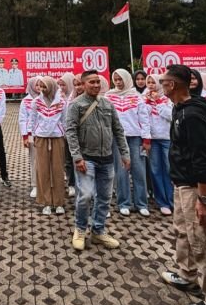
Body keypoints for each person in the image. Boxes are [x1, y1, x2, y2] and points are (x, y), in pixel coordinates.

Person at [158, 64, 206, 305]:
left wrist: (203, 199)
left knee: (202, 242)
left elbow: (203, 158)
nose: (160, 84)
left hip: (197, 187)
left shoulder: (193, 116)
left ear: (174, 85)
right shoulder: (179, 109)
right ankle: (187, 275)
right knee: (183, 231)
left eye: (163, 81)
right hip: (182, 183)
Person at [65, 70, 130, 250]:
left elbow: (118, 130)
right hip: (86, 159)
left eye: (97, 82)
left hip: (107, 160)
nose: (95, 85)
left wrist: (125, 154)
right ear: (83, 84)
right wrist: (77, 157)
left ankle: (98, 231)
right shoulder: (76, 105)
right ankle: (80, 229)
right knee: (85, 195)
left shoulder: (108, 104)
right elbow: (70, 131)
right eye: (91, 82)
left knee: (104, 197)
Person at [105, 69, 150, 217]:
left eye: (120, 79)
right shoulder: (109, 96)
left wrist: (146, 138)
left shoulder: (136, 97)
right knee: (121, 170)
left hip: (135, 137)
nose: (118, 82)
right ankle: (124, 203)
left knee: (138, 170)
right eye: (115, 79)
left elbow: (144, 118)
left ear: (126, 79)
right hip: (118, 138)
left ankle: (141, 203)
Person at [31, 76, 68, 215]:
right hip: (41, 137)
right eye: (40, 86)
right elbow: (32, 120)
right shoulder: (36, 102)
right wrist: (33, 135)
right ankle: (46, 202)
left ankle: (59, 202)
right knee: (42, 170)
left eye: (44, 86)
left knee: (58, 170)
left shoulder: (61, 102)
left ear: (51, 86)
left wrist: (63, 134)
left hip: (57, 137)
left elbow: (64, 120)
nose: (42, 89)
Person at [144, 74, 175, 216]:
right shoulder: (143, 98)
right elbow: (143, 117)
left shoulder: (168, 97)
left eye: (153, 82)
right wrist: (149, 104)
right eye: (148, 82)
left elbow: (171, 116)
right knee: (156, 170)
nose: (151, 85)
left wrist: (158, 102)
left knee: (169, 169)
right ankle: (162, 201)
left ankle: (172, 200)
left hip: (167, 137)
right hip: (152, 138)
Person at [19, 78, 40, 199]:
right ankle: (35, 185)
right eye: (36, 85)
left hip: (46, 135)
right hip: (32, 135)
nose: (38, 87)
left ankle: (48, 184)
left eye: (40, 84)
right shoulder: (25, 101)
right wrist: (25, 136)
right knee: (34, 161)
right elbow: (23, 119)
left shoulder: (48, 98)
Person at [58, 72, 77, 197]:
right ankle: (71, 184)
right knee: (68, 159)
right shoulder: (59, 97)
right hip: (65, 133)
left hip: (77, 133)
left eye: (63, 85)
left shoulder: (75, 96)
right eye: (59, 85)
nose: (61, 88)